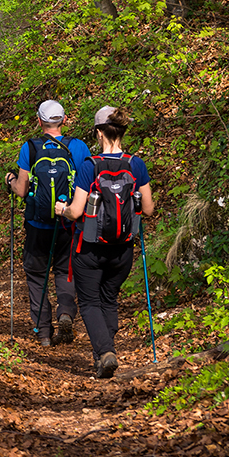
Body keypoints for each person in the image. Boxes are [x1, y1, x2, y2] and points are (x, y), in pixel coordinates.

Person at [63, 106, 155, 379]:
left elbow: (77, 211)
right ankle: (104, 353)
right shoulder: (135, 164)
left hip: (89, 247)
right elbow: (148, 209)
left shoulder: (89, 166)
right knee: (109, 298)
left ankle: (105, 352)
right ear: (122, 131)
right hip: (123, 248)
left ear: (99, 132)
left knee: (90, 302)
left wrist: (61, 210)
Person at [6, 100, 91, 347]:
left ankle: (43, 332)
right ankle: (65, 312)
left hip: (37, 223)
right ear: (64, 120)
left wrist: (10, 180)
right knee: (66, 271)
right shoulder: (78, 147)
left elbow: (22, 191)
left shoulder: (30, 148)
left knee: (36, 274)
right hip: (68, 222)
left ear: (39, 121)